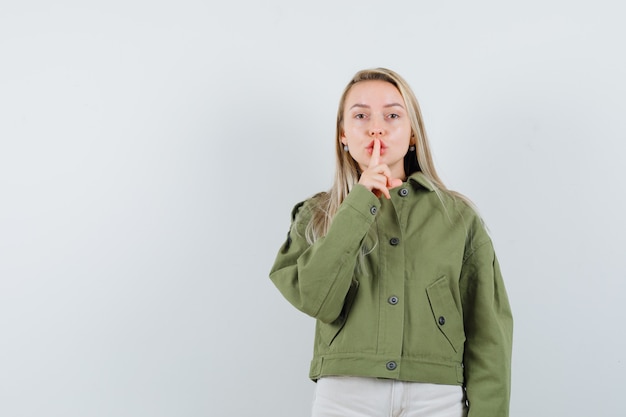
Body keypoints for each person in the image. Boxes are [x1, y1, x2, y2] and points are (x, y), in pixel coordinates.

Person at [269, 68, 513, 417]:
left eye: (393, 115)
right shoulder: (317, 215)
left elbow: (489, 333)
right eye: (361, 115)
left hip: (436, 395)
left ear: (413, 134)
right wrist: (358, 202)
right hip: (345, 393)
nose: (376, 127)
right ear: (342, 133)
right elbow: (314, 299)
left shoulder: (458, 217)